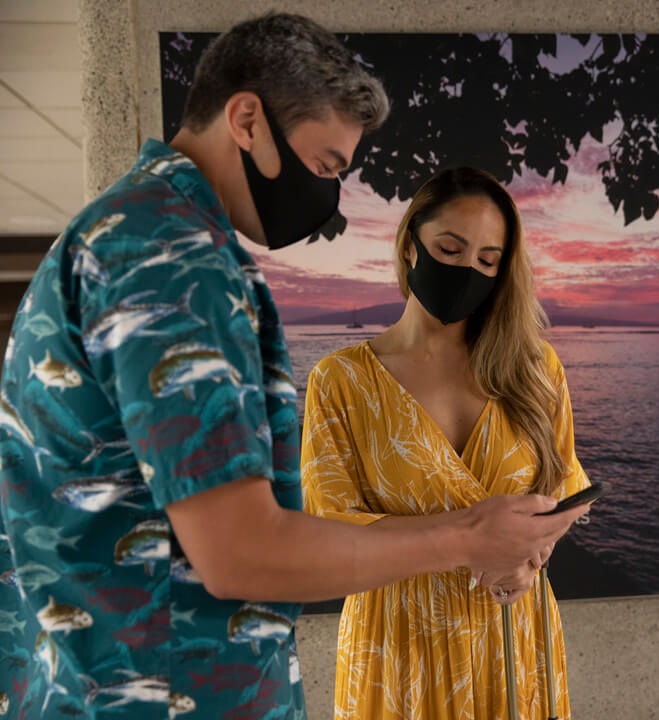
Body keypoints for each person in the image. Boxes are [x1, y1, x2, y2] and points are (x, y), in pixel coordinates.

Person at [0, 15, 584, 720]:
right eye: (325, 165)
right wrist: (467, 540)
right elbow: (241, 552)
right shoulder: (172, 260)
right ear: (246, 118)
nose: (328, 195)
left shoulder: (122, 234)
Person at [301, 167, 592, 719]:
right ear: (411, 244)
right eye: (450, 249)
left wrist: (532, 554)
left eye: (486, 261)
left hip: (513, 640)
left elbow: (561, 493)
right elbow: (327, 538)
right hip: (398, 650)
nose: (466, 270)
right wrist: (471, 541)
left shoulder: (535, 369)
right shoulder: (340, 381)